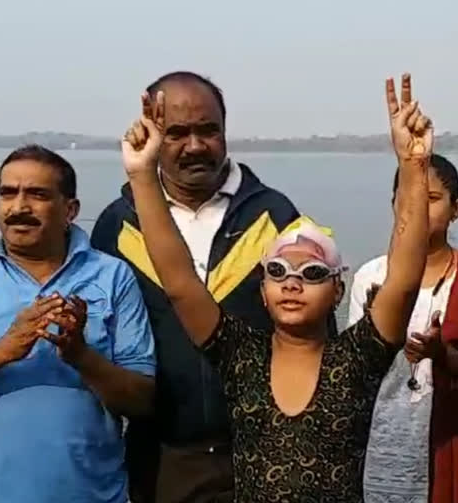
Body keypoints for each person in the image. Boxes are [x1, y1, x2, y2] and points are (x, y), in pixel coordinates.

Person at [119, 73, 432, 501]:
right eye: (279, 271)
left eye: (314, 274)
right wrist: (142, 176)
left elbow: (404, 277)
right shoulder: (239, 355)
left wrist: (413, 167)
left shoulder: (358, 358)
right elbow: (179, 282)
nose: (293, 283)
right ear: (261, 290)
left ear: (338, 292)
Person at [91, 71, 302, 502]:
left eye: (209, 131)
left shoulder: (275, 216)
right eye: (177, 133)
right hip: (160, 457)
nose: (195, 146)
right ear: (152, 133)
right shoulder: (119, 225)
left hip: (259, 452)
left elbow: (311, 337)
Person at [0, 145, 156, 502]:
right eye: (8, 193)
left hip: (93, 494)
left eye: (38, 194)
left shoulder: (112, 276)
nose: (19, 208)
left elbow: (142, 401)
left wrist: (80, 355)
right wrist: (3, 351)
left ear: (70, 210)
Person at [347, 153, 458, 503]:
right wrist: (378, 336)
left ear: (456, 208)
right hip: (385, 440)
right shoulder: (372, 278)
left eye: (431, 199)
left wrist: (440, 353)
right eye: (408, 197)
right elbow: (355, 376)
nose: (418, 209)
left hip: (456, 438)